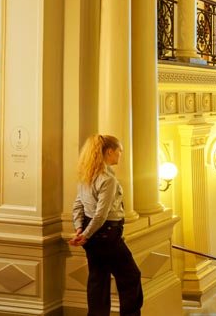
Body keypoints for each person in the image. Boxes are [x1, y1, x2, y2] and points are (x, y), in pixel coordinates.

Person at [70, 134, 142, 316]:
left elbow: (78, 205)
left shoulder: (86, 174)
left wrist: (80, 229)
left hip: (91, 233)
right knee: (131, 276)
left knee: (98, 279)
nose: (120, 155)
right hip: (107, 233)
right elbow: (101, 215)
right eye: (119, 151)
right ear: (109, 152)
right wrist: (84, 235)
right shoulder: (107, 179)